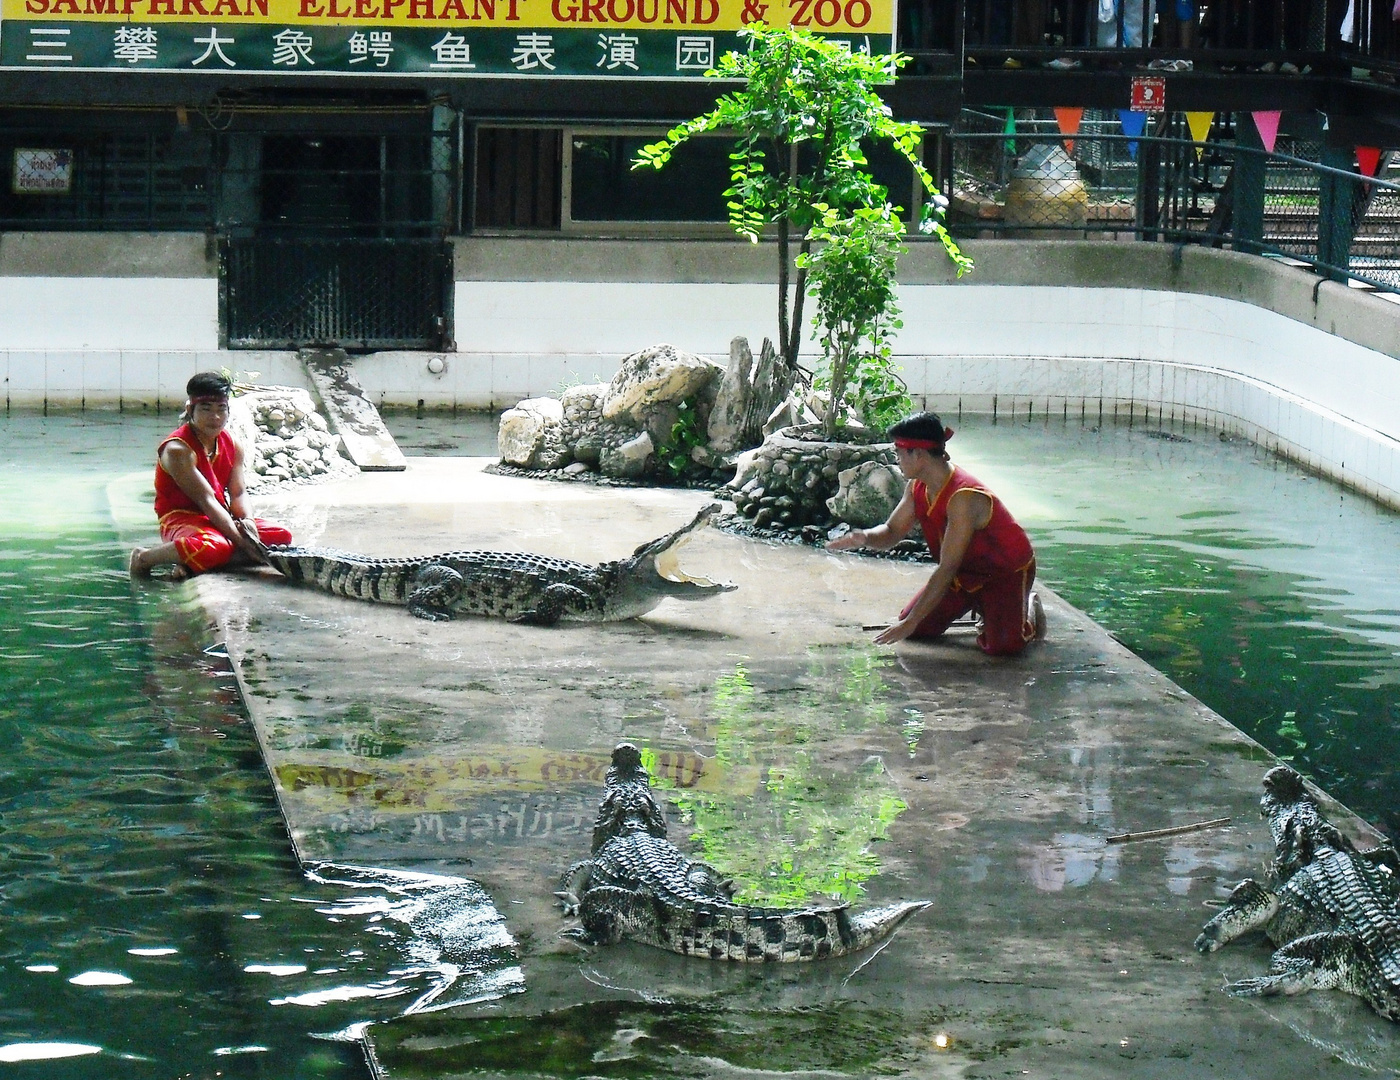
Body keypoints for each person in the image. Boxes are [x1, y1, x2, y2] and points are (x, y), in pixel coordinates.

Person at [827, 411, 1045, 655]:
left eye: (899, 453)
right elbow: (892, 530)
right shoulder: (917, 485)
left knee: (1003, 648)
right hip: (964, 572)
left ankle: (1027, 611)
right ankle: (985, 607)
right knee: (917, 629)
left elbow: (947, 567)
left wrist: (910, 622)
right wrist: (865, 537)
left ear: (918, 454)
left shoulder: (964, 497)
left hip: (1004, 572)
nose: (897, 459)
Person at [129, 372, 291, 578]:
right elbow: (206, 500)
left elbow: (239, 492)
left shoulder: (232, 444)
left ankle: (190, 564)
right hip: (181, 520)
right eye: (206, 409)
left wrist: (247, 522)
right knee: (216, 547)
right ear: (190, 410)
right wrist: (243, 543)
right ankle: (144, 557)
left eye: (221, 409)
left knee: (281, 536)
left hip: (219, 517)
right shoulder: (178, 450)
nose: (215, 417)